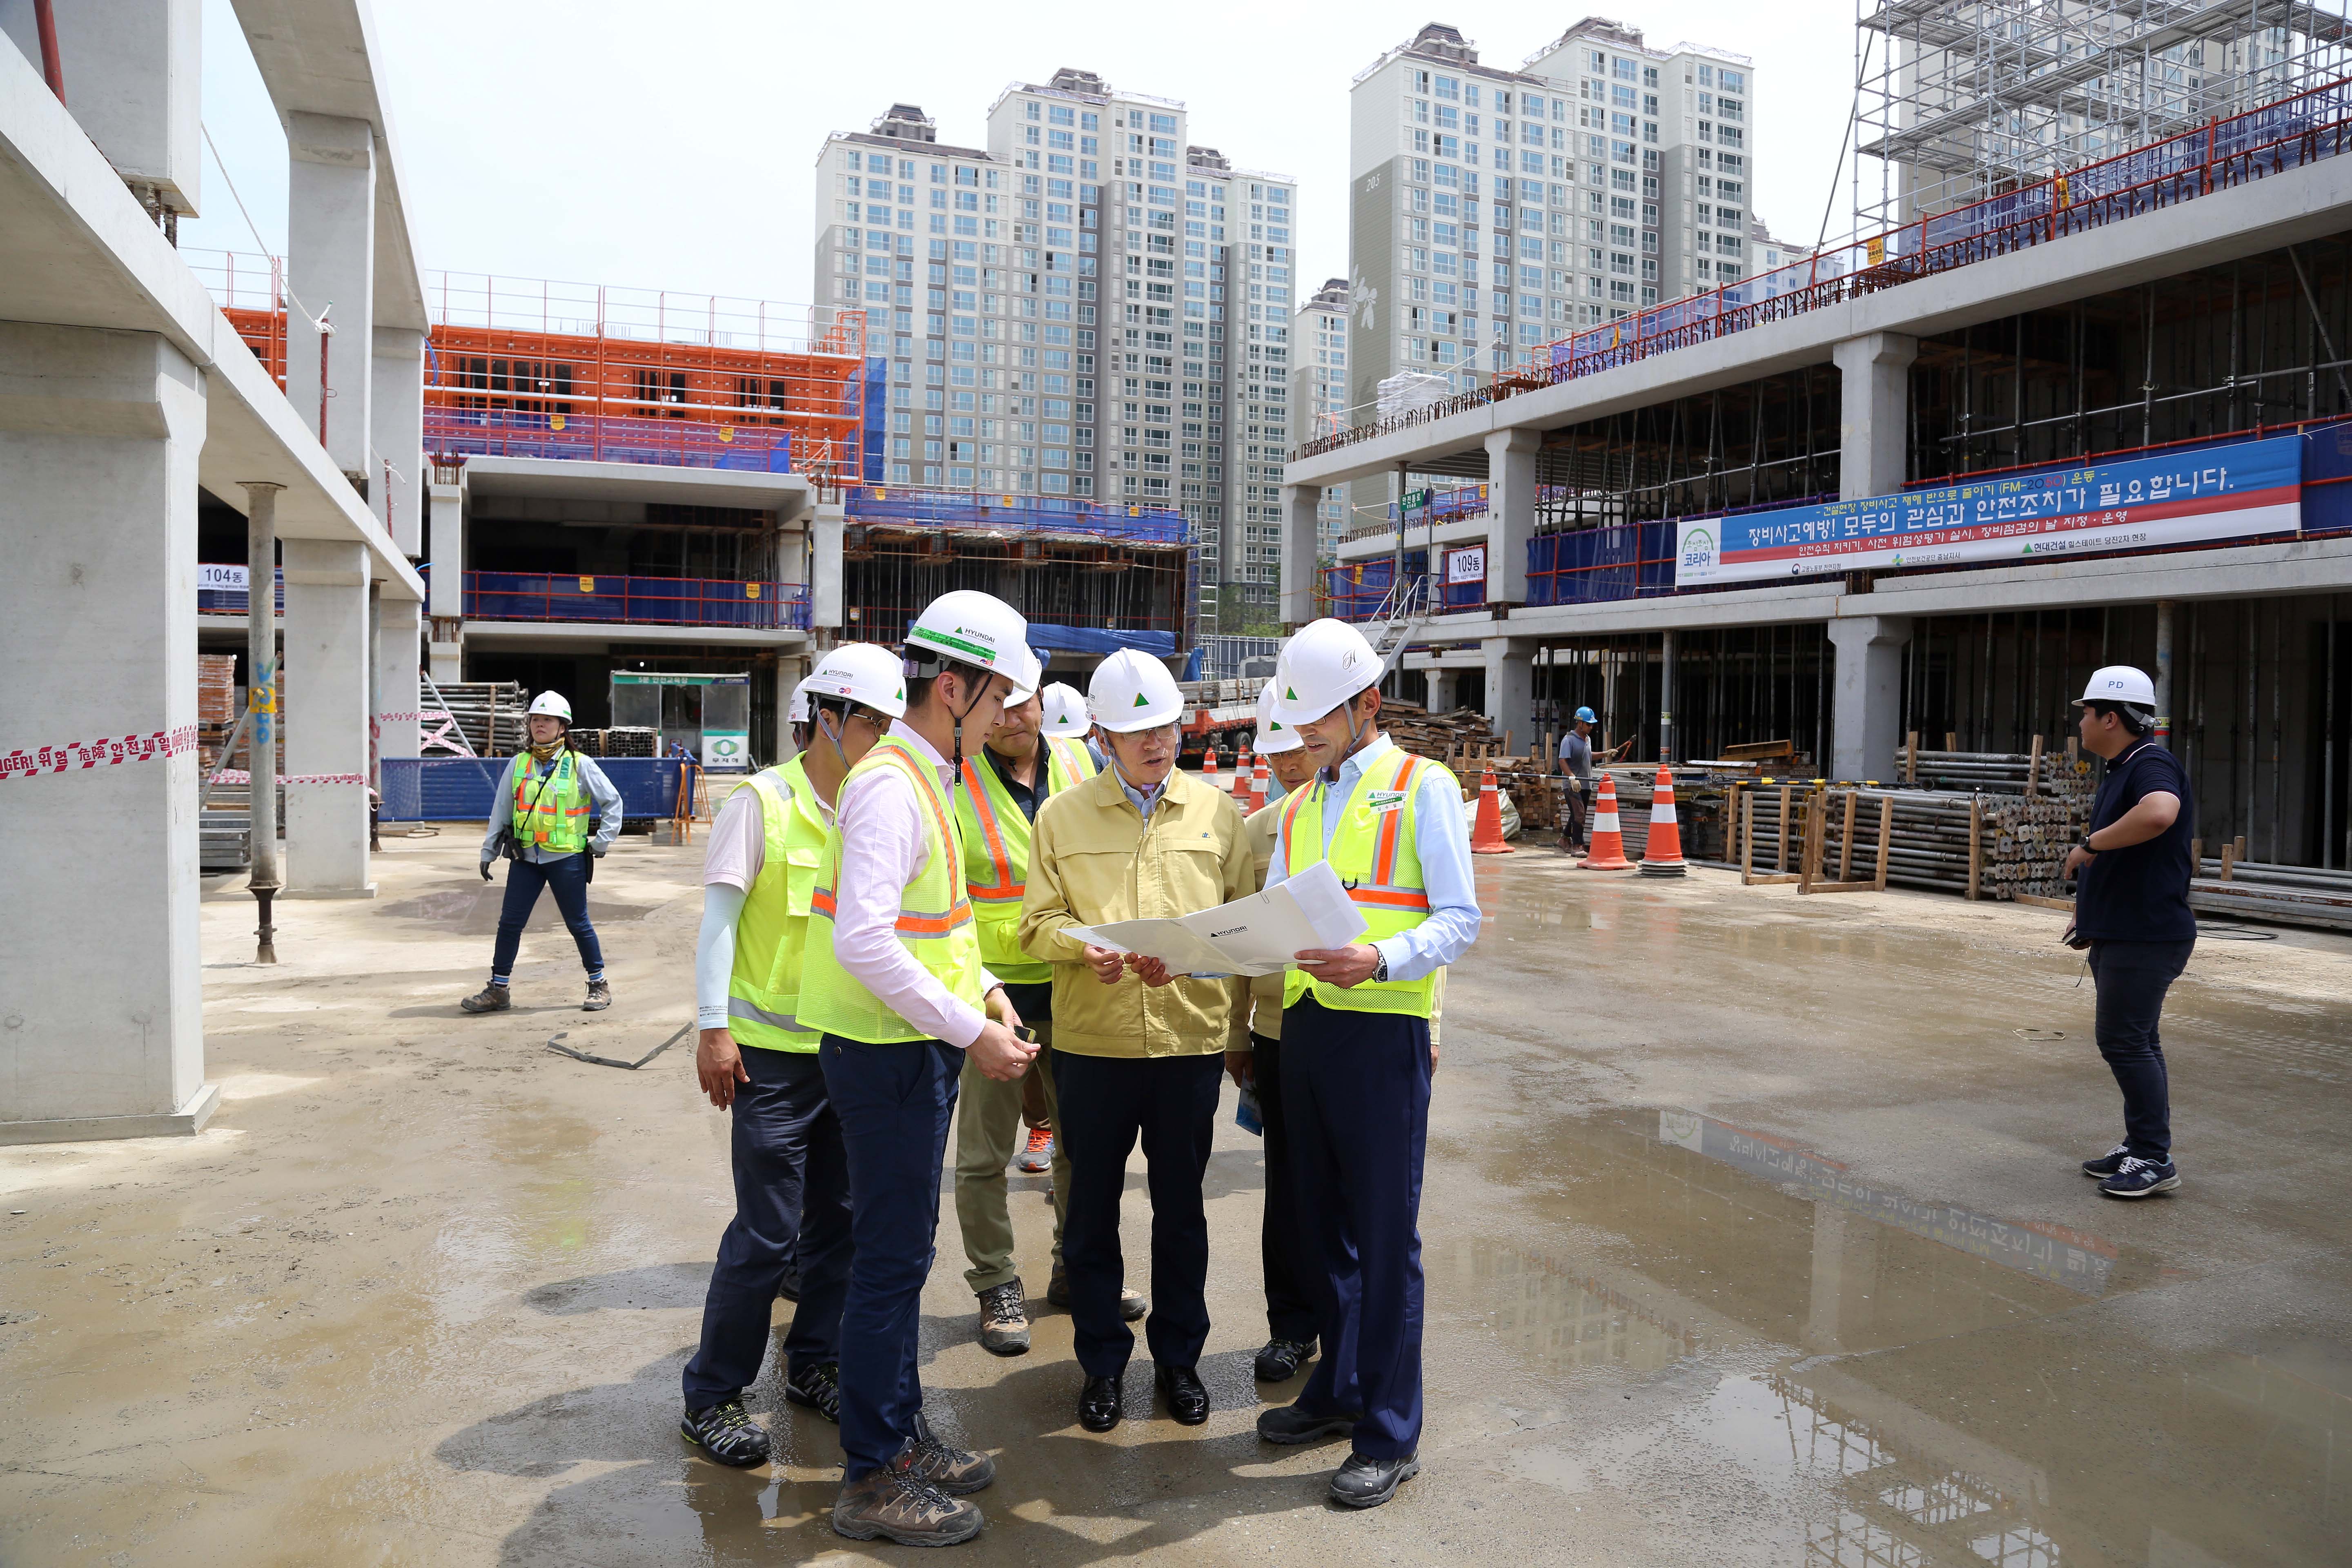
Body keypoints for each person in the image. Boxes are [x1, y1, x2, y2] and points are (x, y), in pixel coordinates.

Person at [798, 590, 1041, 1548]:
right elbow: (862, 938)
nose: (1000, 720)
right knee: (887, 1267)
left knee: (901, 1260)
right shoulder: (896, 784)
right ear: (950, 687)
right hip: (887, 1052)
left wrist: (979, 985)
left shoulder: (924, 774)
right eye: (991, 703)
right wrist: (964, 1027)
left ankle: (896, 1435)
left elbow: (926, 923)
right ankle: (871, 1474)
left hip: (912, 1046)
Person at [1256, 618, 1481, 1510]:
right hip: (1307, 1030)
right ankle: (1342, 1388)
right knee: (1320, 1232)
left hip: (1381, 1031)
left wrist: (1382, 960)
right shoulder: (1304, 804)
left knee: (1387, 1241)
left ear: (1368, 704)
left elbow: (1460, 919)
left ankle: (1391, 1430)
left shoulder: (1424, 786)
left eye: (1319, 727)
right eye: (1298, 730)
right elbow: (1278, 916)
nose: (1305, 742)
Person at [1018, 650, 1255, 1435]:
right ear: (1099, 736)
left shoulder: (1219, 815)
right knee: (1090, 1214)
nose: (1156, 742)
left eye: (1165, 726)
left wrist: (1196, 965)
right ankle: (1103, 1366)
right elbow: (1036, 924)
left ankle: (1179, 1361)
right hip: (1093, 1047)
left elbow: (1242, 927)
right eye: (1135, 730)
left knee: (1182, 1212)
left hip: (1188, 1044)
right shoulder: (1061, 817)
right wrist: (1083, 947)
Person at [676, 649, 902, 1464]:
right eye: (873, 721)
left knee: (839, 1226)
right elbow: (720, 924)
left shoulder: (874, 808)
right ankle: (712, 1393)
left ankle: (814, 1365)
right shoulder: (761, 804)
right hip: (769, 1059)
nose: (883, 737)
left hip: (847, 1049)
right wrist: (712, 1026)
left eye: (890, 723)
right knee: (770, 1236)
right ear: (830, 720)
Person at [951, 673, 1145, 1354]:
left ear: (1042, 701)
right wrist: (975, 994)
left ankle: (1075, 1264)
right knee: (982, 1153)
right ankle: (997, 1282)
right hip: (997, 994)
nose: (1012, 717)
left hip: (1077, 982)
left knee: (1082, 1144)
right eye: (996, 705)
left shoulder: (1081, 763)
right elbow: (945, 899)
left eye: (1023, 701)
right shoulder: (956, 780)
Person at [2062, 665, 2196, 1200]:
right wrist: (2087, 912)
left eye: (2086, 714)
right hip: (2126, 930)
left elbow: (2161, 814)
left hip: (2147, 935)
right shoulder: (2123, 768)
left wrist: (2089, 845)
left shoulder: (2150, 763)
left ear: (2111, 717)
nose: (2081, 725)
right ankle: (2143, 1143)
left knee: (2123, 1040)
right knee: (2140, 1041)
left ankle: (2154, 1157)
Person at [1227, 679, 1327, 1385]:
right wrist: (1237, 1032)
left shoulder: (1373, 819)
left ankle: (1346, 1323)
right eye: (1276, 752)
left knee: (1347, 1189)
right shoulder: (1257, 831)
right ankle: (1291, 1327)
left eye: (1296, 747)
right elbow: (1237, 941)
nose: (1287, 764)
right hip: (1275, 1030)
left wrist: (1433, 1026)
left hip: (1357, 1026)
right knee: (1288, 1188)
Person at [462, 691, 622, 1013]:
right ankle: (499, 989)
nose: (540, 725)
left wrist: (601, 843)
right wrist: (489, 849)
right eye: (535, 720)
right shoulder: (518, 764)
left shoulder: (580, 765)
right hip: (526, 859)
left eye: (547, 720)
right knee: (509, 924)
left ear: (563, 727)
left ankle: (598, 984)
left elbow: (613, 802)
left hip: (567, 859)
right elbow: (502, 810)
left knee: (578, 923)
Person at [1555, 706, 1633, 855]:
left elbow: (1588, 756)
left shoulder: (1587, 739)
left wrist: (1606, 753)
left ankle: (1564, 839)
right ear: (1580, 723)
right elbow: (1562, 761)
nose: (1591, 727)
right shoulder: (1569, 740)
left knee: (1577, 814)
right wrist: (1572, 778)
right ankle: (1577, 845)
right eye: (1588, 724)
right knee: (1580, 814)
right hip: (1573, 785)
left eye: (1592, 725)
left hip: (1585, 784)